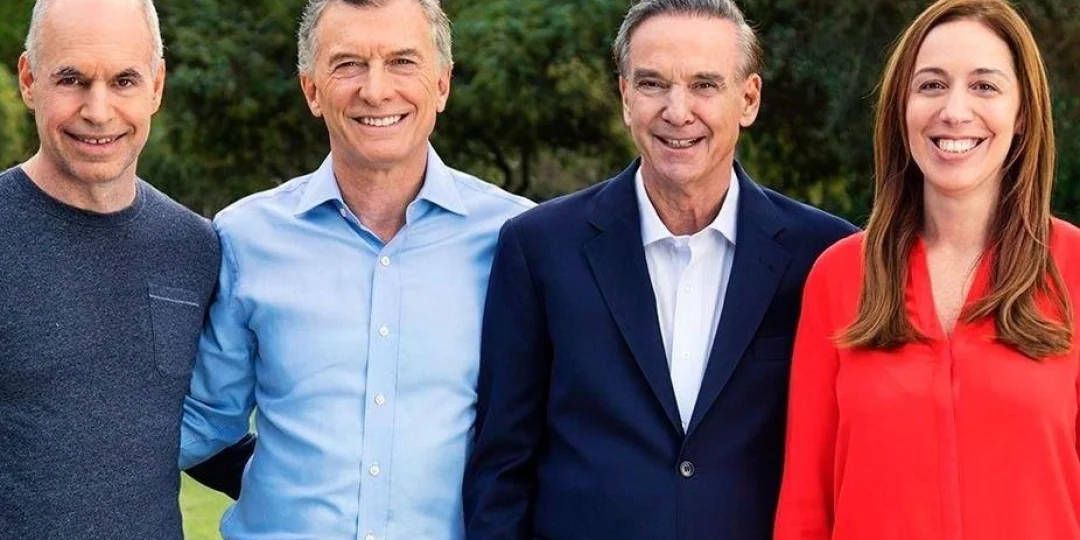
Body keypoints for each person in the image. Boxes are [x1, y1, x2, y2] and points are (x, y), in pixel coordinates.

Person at [462, 1, 855, 538]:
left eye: (704, 85)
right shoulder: (539, 248)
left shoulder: (824, 255)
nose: (677, 110)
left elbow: (845, 458)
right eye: (653, 84)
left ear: (749, 99)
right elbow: (502, 469)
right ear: (626, 97)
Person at [177, 0, 533, 538]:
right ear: (311, 90)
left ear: (442, 84)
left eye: (402, 62)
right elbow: (204, 420)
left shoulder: (515, 238)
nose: (375, 90)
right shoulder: (246, 237)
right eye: (348, 64)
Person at [773, 0, 1080, 538]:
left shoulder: (1074, 267)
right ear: (902, 108)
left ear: (1022, 112)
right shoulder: (838, 277)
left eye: (984, 86)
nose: (955, 111)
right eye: (932, 85)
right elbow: (806, 505)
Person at [0, 0, 240, 538]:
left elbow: (190, 432)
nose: (98, 110)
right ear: (29, 80)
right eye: (72, 80)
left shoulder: (195, 248)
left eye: (124, 81)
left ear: (157, 86)